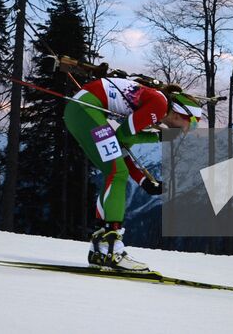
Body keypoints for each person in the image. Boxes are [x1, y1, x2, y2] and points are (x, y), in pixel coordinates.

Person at [63, 75, 202, 271]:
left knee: (113, 171)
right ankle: (112, 248)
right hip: (86, 109)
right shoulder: (160, 105)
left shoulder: (155, 107)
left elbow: (120, 146)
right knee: (116, 173)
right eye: (194, 123)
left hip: (81, 111)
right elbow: (123, 135)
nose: (191, 130)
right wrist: (160, 137)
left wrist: (143, 180)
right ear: (181, 114)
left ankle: (101, 249)